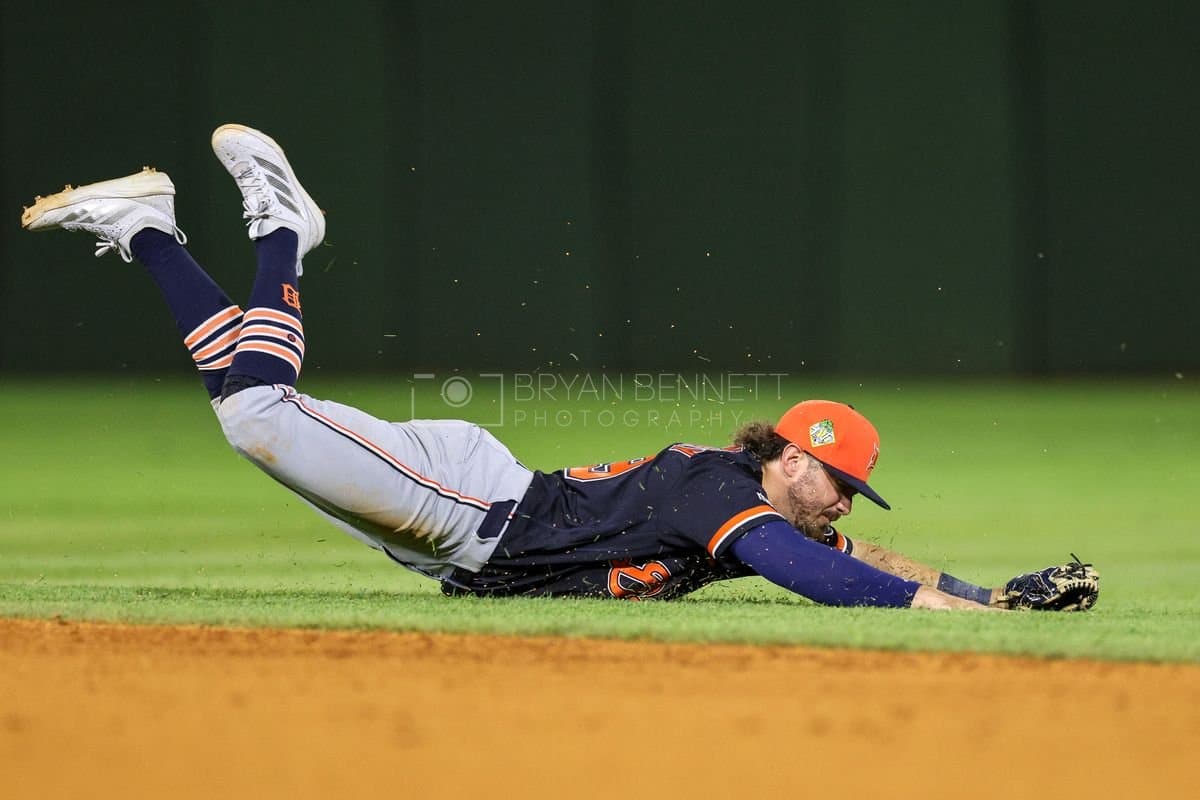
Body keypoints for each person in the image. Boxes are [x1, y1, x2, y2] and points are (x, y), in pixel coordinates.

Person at [21, 124, 1094, 612]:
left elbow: (874, 558)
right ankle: (278, 230)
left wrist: (988, 595)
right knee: (259, 415)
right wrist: (940, 618)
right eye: (839, 484)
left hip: (459, 526)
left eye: (849, 497)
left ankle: (148, 232)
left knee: (252, 408)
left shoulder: (752, 504)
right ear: (797, 463)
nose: (840, 506)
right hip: (466, 503)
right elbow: (821, 577)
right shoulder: (724, 491)